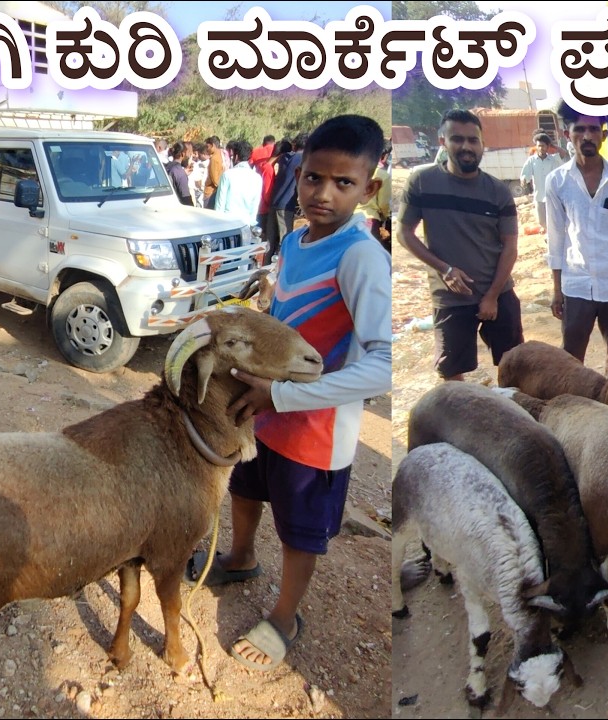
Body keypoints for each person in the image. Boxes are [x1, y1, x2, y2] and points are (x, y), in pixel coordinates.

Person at [184, 114, 391, 672]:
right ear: (297, 175)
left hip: (316, 430)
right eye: (314, 178)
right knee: (245, 488)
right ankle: (241, 557)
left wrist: (283, 395)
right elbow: (281, 322)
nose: (324, 193)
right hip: (262, 412)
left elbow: (383, 364)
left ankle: (285, 617)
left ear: (369, 187)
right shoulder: (297, 241)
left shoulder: (361, 257)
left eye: (343, 182)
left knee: (300, 531)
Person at [398, 109, 522, 381]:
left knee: (515, 365)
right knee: (452, 374)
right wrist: (445, 269)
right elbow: (404, 234)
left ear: (482, 144)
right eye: (457, 139)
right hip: (450, 297)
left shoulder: (498, 191)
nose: (466, 146)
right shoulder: (422, 182)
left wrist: (492, 295)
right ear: (442, 141)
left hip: (498, 293)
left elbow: (510, 247)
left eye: (473, 140)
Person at [543, 101, 608, 368]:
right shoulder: (557, 181)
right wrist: (557, 290)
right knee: (571, 360)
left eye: (593, 129)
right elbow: (555, 238)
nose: (586, 136)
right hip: (576, 284)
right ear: (567, 134)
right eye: (579, 129)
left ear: (604, 135)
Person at [267, 137, 304, 260]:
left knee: (270, 241)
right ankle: (281, 268)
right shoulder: (304, 159)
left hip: (274, 201)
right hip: (286, 206)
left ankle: (264, 266)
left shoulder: (284, 157)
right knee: (285, 241)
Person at [214, 140, 264, 227]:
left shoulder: (227, 175)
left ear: (236, 156)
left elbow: (219, 204)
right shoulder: (257, 178)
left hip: (227, 223)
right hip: (246, 224)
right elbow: (255, 206)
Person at [520, 133, 564, 230]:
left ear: (548, 146)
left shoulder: (553, 159)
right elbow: (525, 174)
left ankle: (551, 236)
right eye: (539, 146)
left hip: (552, 196)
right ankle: (547, 232)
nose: (541, 148)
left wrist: (553, 145)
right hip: (539, 196)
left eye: (543, 146)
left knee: (554, 221)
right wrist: (524, 180)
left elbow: (563, 153)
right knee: (542, 221)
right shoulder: (531, 160)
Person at [356, 146, 391, 253]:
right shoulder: (382, 175)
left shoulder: (350, 170)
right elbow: (384, 204)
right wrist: (386, 216)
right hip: (368, 219)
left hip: (344, 218)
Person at [166, 142, 194, 206]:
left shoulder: (167, 166)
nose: (189, 156)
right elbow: (186, 198)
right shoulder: (179, 172)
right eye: (188, 153)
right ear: (183, 154)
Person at [203, 136, 225, 209]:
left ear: (212, 145)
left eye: (207, 147)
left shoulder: (214, 158)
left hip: (211, 192)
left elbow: (215, 180)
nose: (207, 149)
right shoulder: (222, 155)